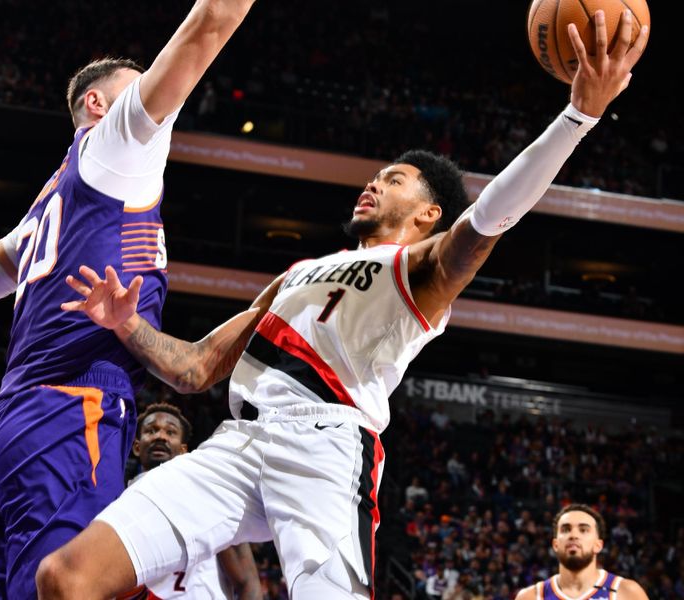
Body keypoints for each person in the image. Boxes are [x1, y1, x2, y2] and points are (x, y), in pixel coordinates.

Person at [36, 10, 648, 600]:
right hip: (237, 442)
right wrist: (127, 324)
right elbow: (193, 369)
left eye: (395, 179)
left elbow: (492, 217)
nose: (374, 182)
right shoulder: (297, 274)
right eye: (376, 175)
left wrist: (577, 116)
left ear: (430, 214)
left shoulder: (423, 269)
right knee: (66, 577)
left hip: (325, 447)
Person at [0, 0, 258, 596]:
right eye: (142, 89)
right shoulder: (118, 146)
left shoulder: (44, 208)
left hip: (3, 429)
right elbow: (209, 24)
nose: (160, 105)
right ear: (98, 105)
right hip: (68, 413)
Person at [119, 403, 262, 600]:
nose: (160, 436)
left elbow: (247, 584)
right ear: (136, 446)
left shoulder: (206, 495)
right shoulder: (119, 502)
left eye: (171, 432)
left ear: (183, 450)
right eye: (151, 431)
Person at [514, 504, 649, 600]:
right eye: (566, 529)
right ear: (555, 544)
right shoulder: (531, 597)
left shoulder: (626, 593)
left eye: (583, 530)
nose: (573, 535)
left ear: (598, 545)